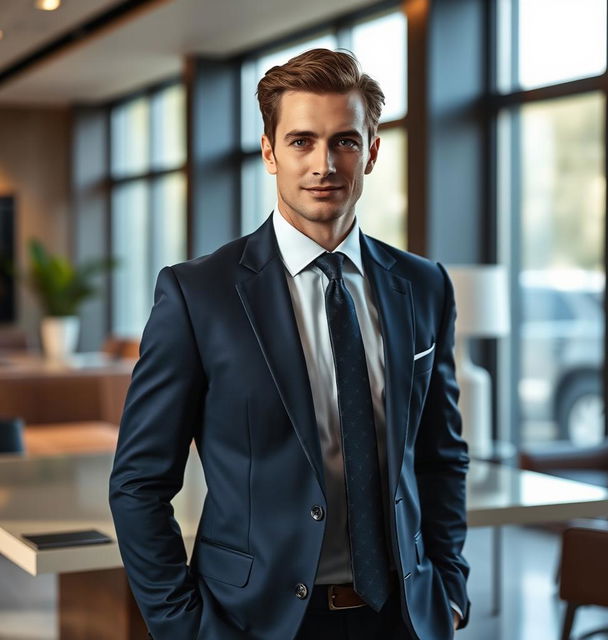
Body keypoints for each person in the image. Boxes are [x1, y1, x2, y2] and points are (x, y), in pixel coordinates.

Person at [109, 48, 470, 640]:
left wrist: (450, 587)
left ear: (372, 151)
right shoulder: (199, 295)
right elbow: (138, 485)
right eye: (301, 141)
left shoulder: (423, 286)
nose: (324, 163)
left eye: (345, 141)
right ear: (270, 152)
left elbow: (440, 455)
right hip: (257, 622)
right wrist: (184, 628)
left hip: (405, 617)